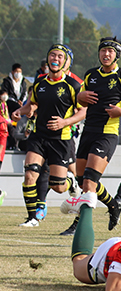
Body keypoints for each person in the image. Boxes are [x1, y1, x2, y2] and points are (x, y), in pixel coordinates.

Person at [60, 36, 121, 231]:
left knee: (89, 182)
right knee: (82, 180)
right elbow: (80, 102)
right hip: (88, 131)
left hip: (107, 134)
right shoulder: (90, 75)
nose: (106, 54)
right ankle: (113, 205)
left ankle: (78, 225)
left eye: (111, 51)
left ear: (117, 55)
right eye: (103, 50)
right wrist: (80, 96)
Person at [11, 44, 85, 227]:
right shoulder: (40, 82)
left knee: (58, 186)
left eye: (60, 56)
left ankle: (71, 182)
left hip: (60, 139)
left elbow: (83, 111)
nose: (55, 58)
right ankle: (33, 218)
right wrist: (20, 111)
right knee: (30, 175)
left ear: (67, 62)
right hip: (38, 136)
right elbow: (33, 104)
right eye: (52, 55)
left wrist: (65, 122)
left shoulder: (74, 85)